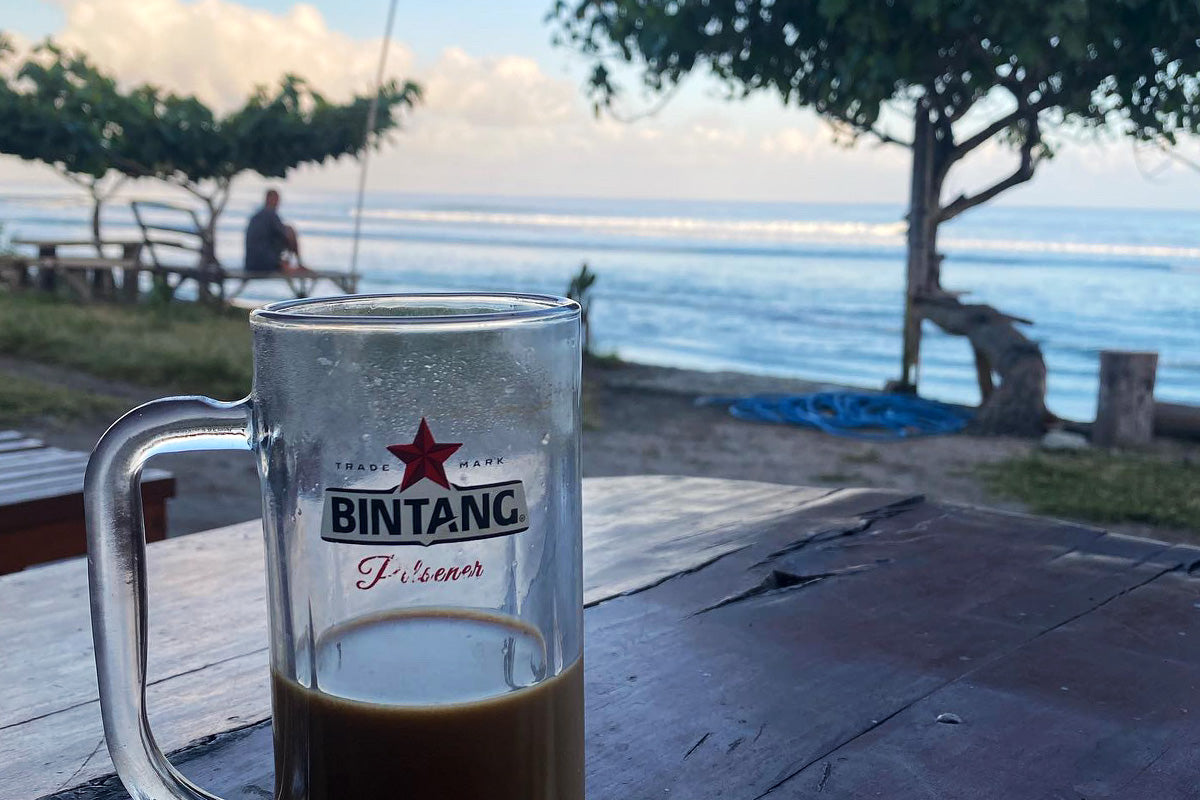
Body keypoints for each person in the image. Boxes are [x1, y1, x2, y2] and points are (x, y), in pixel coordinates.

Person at [244, 189, 311, 275]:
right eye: (276, 200)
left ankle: (287, 264)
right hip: (264, 264)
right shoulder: (270, 214)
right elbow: (286, 235)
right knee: (290, 231)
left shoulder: (257, 216)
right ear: (268, 199)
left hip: (250, 264)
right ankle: (297, 263)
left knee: (286, 232)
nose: (277, 203)